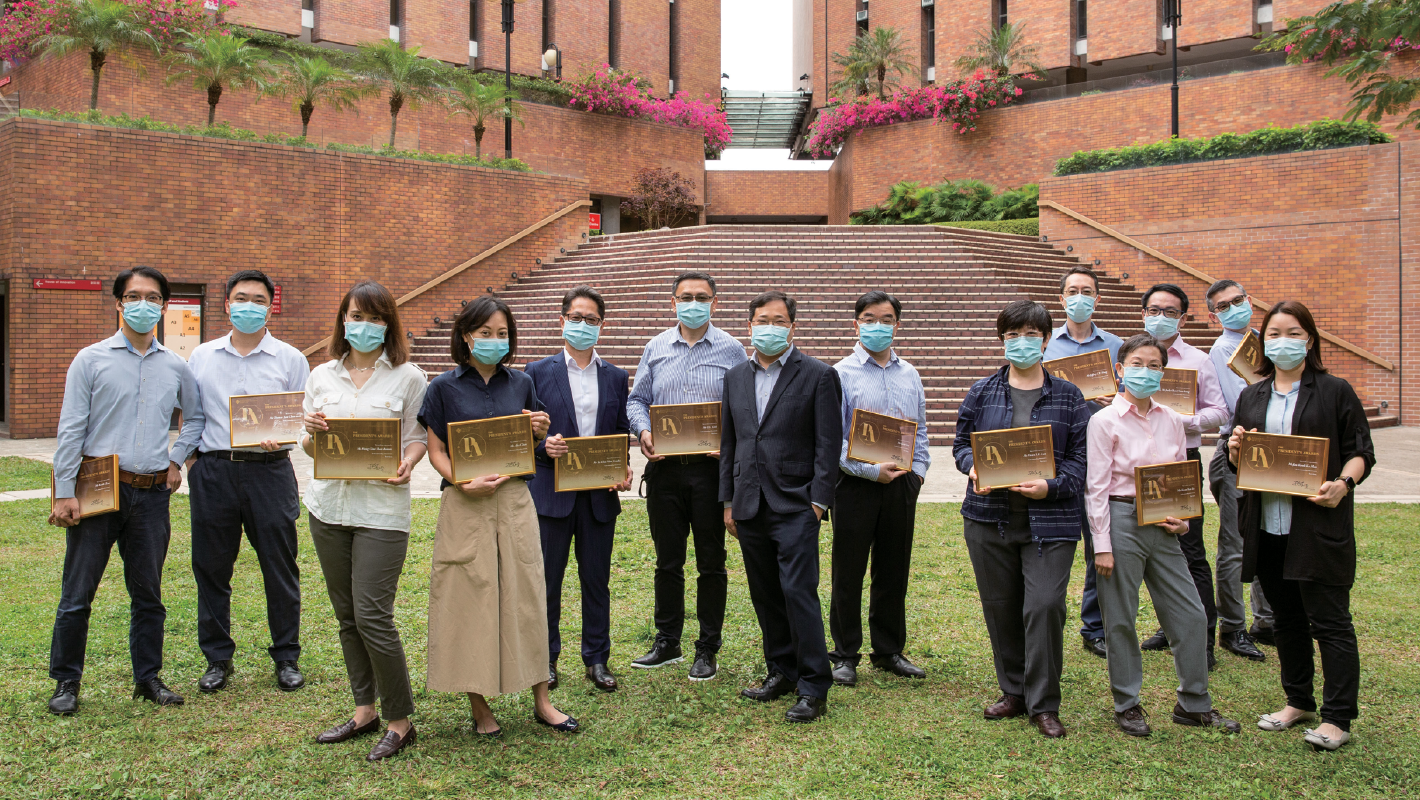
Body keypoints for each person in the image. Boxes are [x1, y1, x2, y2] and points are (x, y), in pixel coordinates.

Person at [47, 266, 204, 715]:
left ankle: (148, 678)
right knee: (78, 594)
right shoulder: (90, 359)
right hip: (97, 490)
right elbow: (71, 427)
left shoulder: (176, 365)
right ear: (118, 304)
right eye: (134, 296)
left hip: (151, 494)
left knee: (148, 594)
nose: (143, 304)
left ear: (164, 306)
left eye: (152, 297)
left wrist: (177, 460)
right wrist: (63, 492)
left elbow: (193, 419)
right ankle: (66, 683)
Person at [420, 295, 575, 737]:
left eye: (502, 333)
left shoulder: (521, 383)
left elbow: (532, 444)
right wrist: (461, 481)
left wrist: (542, 435)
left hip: (513, 500)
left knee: (527, 595)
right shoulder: (442, 388)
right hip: (465, 505)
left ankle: (542, 700)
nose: (493, 340)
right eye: (484, 332)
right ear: (466, 335)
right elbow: (435, 450)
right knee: (469, 598)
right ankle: (479, 706)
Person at [1226, 300, 1373, 751]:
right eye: (1273, 334)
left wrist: (1343, 484)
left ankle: (1337, 717)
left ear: (1309, 339)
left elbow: (1361, 450)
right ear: (1262, 343)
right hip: (1268, 525)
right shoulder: (1252, 395)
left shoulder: (1334, 390)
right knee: (1285, 620)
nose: (1282, 342)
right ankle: (1298, 701)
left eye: (1293, 333)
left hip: (1315, 524)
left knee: (1329, 621)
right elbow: (1240, 458)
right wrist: (1235, 451)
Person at [1086, 333, 1241, 737]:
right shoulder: (1103, 422)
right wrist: (1101, 546)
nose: (1147, 372)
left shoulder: (1173, 419)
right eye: (1138, 364)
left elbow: (1180, 479)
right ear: (1120, 370)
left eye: (1155, 365)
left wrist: (1185, 519)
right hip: (1121, 521)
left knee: (1191, 614)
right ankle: (1127, 704)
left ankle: (1194, 703)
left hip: (1164, 526)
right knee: (1120, 618)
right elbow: (1096, 488)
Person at [953, 300, 1092, 739]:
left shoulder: (1069, 396)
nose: (1021, 342)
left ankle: (1044, 703)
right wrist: (971, 466)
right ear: (1002, 340)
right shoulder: (982, 391)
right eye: (1012, 335)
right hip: (988, 518)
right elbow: (960, 445)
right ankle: (1013, 691)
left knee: (1045, 606)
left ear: (1047, 339)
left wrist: (1049, 486)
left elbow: (1081, 461)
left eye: (1030, 334)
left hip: (1050, 520)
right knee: (1001, 607)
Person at [303, 280, 427, 761]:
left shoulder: (409, 377)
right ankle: (363, 710)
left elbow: (417, 436)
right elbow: (310, 446)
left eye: (375, 318)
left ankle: (400, 720)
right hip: (328, 508)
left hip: (381, 512)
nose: (364, 326)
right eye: (356, 316)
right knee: (347, 617)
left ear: (389, 325)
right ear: (342, 320)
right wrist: (311, 433)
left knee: (374, 615)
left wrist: (409, 462)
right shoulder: (320, 376)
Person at [186, 269, 311, 695]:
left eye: (259, 300)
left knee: (279, 566)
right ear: (226, 304)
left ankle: (286, 656)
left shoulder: (292, 359)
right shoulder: (201, 357)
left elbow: (301, 420)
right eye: (242, 298)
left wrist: (288, 432)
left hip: (270, 471)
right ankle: (217, 658)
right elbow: (194, 416)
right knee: (211, 567)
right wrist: (191, 463)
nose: (250, 307)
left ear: (271, 306)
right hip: (214, 470)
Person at [721, 291, 843, 724]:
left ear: (792, 326)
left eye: (778, 320)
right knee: (765, 593)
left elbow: (829, 445)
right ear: (749, 325)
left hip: (796, 505)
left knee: (798, 592)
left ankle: (813, 685)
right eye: (761, 319)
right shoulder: (735, 376)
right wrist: (729, 501)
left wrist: (817, 502)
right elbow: (730, 443)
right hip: (749, 503)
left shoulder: (818, 375)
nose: (768, 327)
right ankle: (781, 670)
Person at [626, 271, 747, 680]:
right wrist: (643, 431)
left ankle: (707, 647)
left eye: (701, 296)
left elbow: (745, 408)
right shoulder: (656, 347)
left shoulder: (732, 350)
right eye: (685, 296)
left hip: (712, 473)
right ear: (672, 300)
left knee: (712, 563)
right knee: (668, 561)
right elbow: (637, 399)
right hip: (665, 473)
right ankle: (667, 642)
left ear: (715, 301)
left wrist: (728, 445)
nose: (692, 303)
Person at [526, 286, 633, 694]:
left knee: (596, 580)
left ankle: (597, 658)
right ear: (562, 321)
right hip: (551, 495)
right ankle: (546, 660)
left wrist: (623, 465)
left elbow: (619, 430)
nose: (583, 325)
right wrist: (542, 446)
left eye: (591, 319)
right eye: (576, 317)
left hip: (598, 497)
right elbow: (522, 435)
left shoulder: (615, 376)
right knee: (547, 581)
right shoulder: (536, 372)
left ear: (601, 325)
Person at [828, 291, 930, 687]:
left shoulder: (911, 374)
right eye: (869, 318)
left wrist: (917, 474)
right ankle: (844, 654)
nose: (878, 326)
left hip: (901, 487)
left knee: (893, 570)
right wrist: (870, 471)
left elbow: (919, 431)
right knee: (848, 572)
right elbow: (832, 440)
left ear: (897, 325)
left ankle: (888, 651)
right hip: (855, 486)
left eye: (886, 319)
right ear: (856, 324)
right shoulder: (839, 373)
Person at [1134, 284, 1229, 669]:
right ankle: (1167, 626)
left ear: (1183, 318)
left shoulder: (1197, 360)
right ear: (1143, 312)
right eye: (1154, 309)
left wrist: (1182, 419)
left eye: (1170, 311)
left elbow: (1219, 411)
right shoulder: (1131, 355)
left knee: (1188, 550)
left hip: (1179, 460)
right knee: (1148, 550)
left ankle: (1203, 640)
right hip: (1135, 460)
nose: (1161, 316)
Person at [1043, 266, 1124, 661]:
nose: (1080, 297)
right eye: (1072, 290)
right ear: (1061, 298)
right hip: (1059, 456)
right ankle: (1047, 615)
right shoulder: (1044, 345)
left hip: (1105, 456)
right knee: (1056, 541)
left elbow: (1136, 397)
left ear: (1097, 297)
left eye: (1087, 291)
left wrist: (1117, 399)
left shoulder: (1116, 345)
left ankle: (1095, 626)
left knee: (1100, 544)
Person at [1203, 279, 1269, 661]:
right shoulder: (1223, 349)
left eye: (1238, 301)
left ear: (1249, 300)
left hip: (1272, 449)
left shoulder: (1263, 339)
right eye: (1224, 306)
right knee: (1236, 544)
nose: (1234, 308)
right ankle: (1232, 626)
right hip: (1238, 449)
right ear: (1214, 316)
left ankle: (1267, 619)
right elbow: (1238, 403)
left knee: (1268, 535)